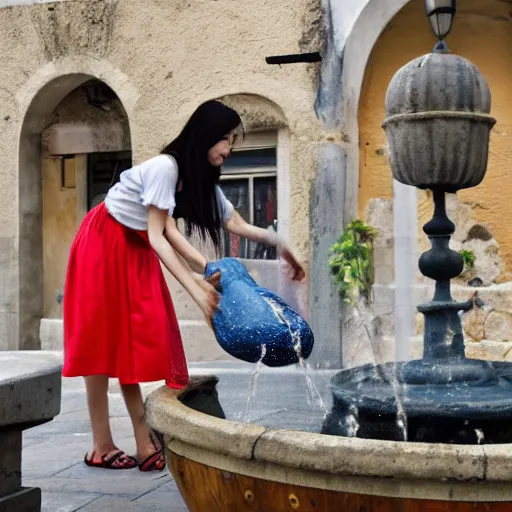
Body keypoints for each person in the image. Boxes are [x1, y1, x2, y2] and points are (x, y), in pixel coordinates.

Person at [62, 100, 305, 472]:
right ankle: (107, 444)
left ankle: (139, 441)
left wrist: (281, 244)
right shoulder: (165, 167)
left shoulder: (199, 177)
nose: (228, 148)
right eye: (224, 139)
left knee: (134, 338)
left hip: (135, 245)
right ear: (204, 135)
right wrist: (195, 286)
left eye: (232, 143)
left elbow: (235, 224)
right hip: (104, 241)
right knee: (104, 340)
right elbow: (161, 236)